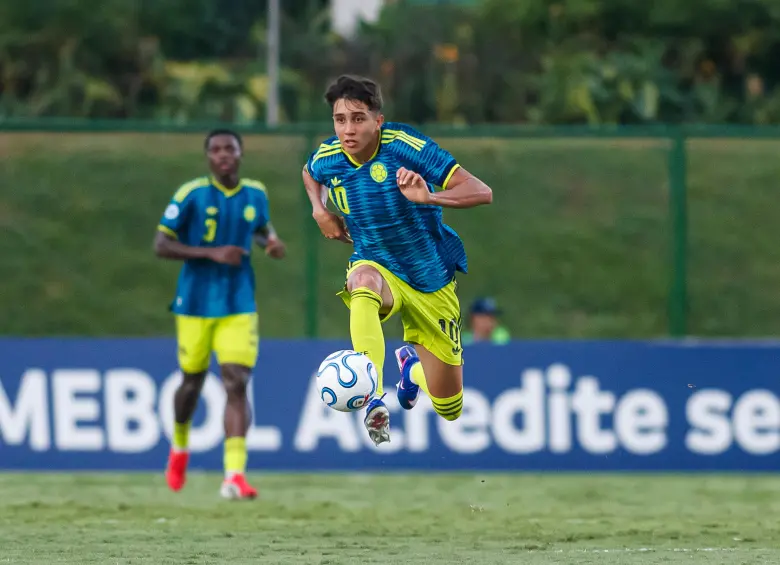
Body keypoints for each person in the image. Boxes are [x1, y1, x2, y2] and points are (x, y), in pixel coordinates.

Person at [301, 75, 493, 446]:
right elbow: (309, 173)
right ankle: (372, 396)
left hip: (430, 278)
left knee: (449, 406)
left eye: (358, 118)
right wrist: (319, 210)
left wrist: (429, 198)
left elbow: (481, 192)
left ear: (379, 120)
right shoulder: (329, 157)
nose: (347, 129)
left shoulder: (406, 147)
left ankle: (411, 371)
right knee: (362, 284)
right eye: (340, 119)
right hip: (376, 263)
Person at [154, 128, 286, 499]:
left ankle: (234, 475)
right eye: (216, 149)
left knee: (236, 381)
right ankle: (180, 447)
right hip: (195, 303)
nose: (223, 154)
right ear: (208, 157)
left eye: (230, 148)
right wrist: (211, 253)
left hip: (238, 302)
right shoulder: (191, 194)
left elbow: (260, 227)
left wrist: (270, 243)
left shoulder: (256, 193)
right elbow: (161, 244)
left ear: (241, 153)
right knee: (192, 383)